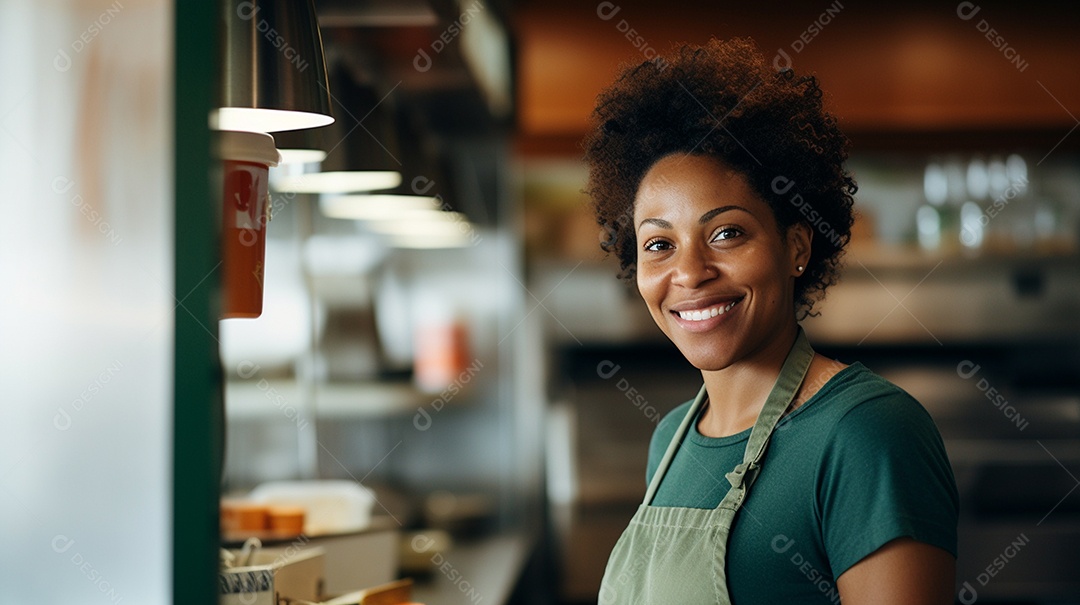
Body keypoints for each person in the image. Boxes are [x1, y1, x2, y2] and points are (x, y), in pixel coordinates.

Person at [584, 38, 958, 604]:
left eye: (726, 233)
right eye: (659, 243)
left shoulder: (868, 434)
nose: (689, 272)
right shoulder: (670, 441)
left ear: (796, 246)